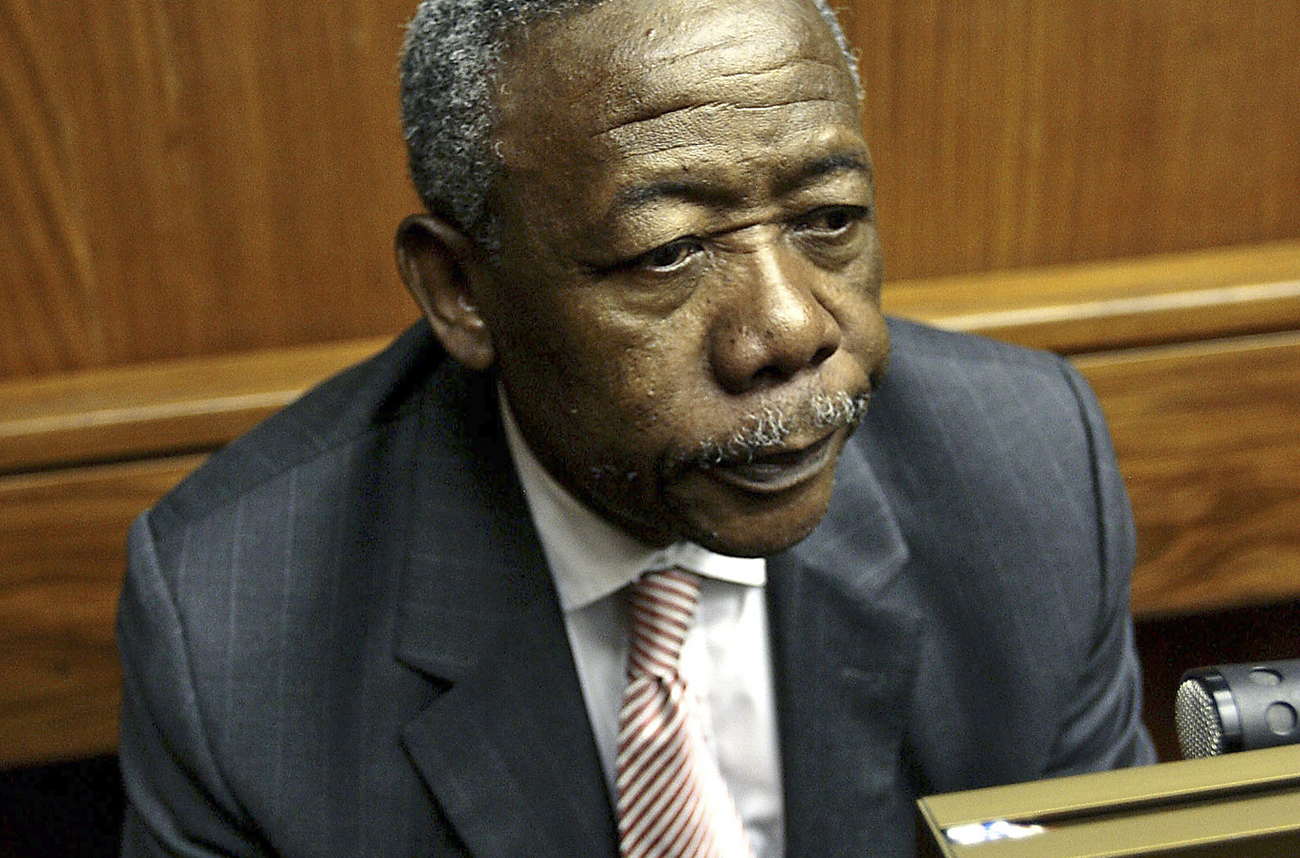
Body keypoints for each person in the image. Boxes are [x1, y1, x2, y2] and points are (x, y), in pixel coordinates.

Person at [116, 0, 1155, 855]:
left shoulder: (1027, 474)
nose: (791, 329)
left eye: (827, 220)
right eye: (666, 252)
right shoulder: (234, 625)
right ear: (460, 291)